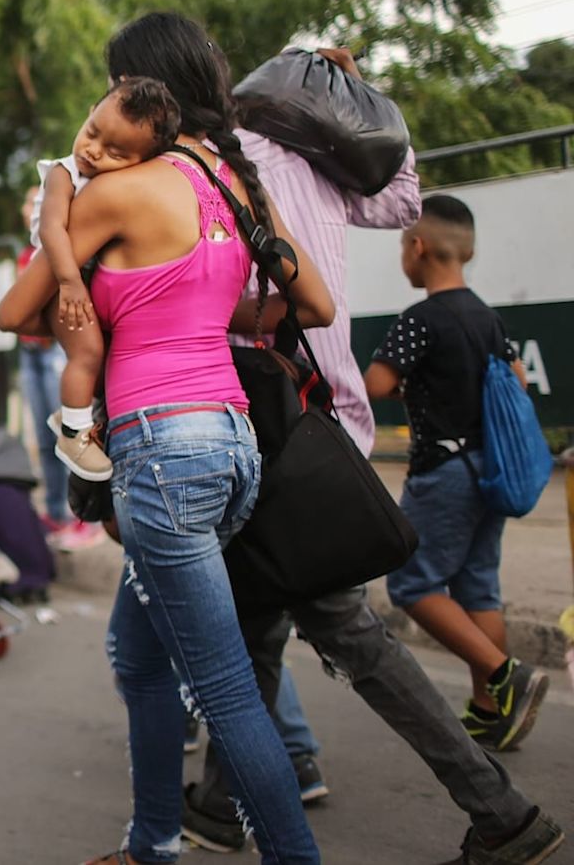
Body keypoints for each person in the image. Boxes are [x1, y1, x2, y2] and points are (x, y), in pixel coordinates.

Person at [176, 45, 563, 865]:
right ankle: (219, 803)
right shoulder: (314, 162)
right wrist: (359, 96)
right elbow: (401, 200)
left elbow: (231, 299)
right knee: (261, 619)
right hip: (326, 424)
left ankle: (501, 811)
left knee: (344, 629)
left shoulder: (207, 171)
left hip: (268, 427)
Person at [0, 12, 336, 864]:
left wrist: (67, 207)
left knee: (223, 690)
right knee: (139, 654)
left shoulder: (114, 194)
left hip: (162, 454)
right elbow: (315, 306)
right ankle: (151, 843)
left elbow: (16, 314)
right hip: (234, 446)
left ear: (145, 96)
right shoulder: (233, 184)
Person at [366, 195, 550, 751]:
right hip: (491, 469)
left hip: (444, 471)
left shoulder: (421, 319)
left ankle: (505, 674)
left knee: (412, 584)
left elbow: (376, 383)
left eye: (404, 246)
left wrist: (414, 387)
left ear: (418, 248)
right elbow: (518, 379)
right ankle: (491, 713)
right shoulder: (487, 317)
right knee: (477, 589)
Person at [29, 77, 181, 483]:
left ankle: (73, 413)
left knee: (107, 351)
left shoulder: (119, 184)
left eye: (115, 152)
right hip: (61, 277)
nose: (93, 151)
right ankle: (73, 435)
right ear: (88, 114)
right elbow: (51, 230)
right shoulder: (64, 173)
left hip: (82, 276)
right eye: (92, 132)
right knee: (88, 352)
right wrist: (68, 282)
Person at [16, 187, 101, 549]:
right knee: (44, 436)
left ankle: (85, 516)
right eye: (27, 202)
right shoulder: (26, 255)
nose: (28, 208)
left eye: (36, 201)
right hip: (30, 351)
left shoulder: (66, 250)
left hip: (57, 350)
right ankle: (55, 512)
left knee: (71, 435)